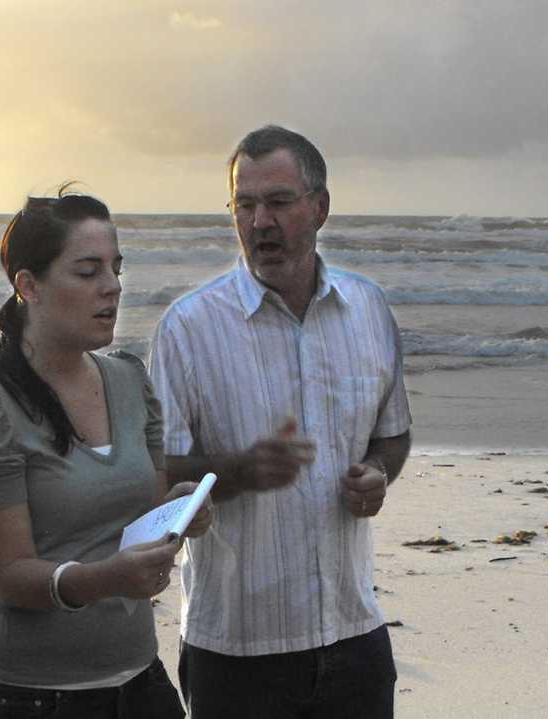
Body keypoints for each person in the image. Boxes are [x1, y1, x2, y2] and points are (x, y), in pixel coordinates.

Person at [146, 124, 412, 718]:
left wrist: (376, 473)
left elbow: (392, 433)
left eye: (278, 202)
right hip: (238, 648)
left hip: (354, 630)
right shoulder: (188, 328)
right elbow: (157, 473)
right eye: (245, 204)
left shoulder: (368, 308)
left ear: (320, 208)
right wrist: (235, 471)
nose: (260, 221)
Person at [0, 189, 213, 719]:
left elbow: (138, 521)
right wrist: (106, 578)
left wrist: (178, 510)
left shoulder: (130, 380)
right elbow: (8, 574)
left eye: (115, 268)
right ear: (29, 285)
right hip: (32, 698)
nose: (113, 287)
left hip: (142, 680)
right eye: (88, 272)